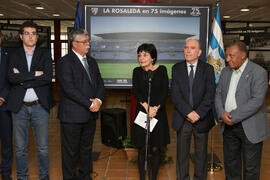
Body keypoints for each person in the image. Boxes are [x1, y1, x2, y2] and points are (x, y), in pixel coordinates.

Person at [7, 21, 55, 180]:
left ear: (37, 36)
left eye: (33, 33)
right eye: (27, 33)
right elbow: (11, 78)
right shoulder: (13, 55)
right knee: (20, 148)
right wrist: (35, 74)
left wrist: (22, 78)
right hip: (19, 107)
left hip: (39, 106)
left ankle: (44, 176)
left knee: (42, 147)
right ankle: (22, 177)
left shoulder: (45, 54)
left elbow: (47, 78)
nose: (30, 36)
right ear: (21, 36)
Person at [215, 41, 270, 180]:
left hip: (250, 126)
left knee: (250, 168)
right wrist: (222, 113)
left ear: (243, 55)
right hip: (228, 125)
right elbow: (218, 94)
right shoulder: (225, 71)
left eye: (231, 56)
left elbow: (256, 101)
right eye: (227, 56)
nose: (227, 59)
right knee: (231, 164)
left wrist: (233, 116)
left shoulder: (259, 72)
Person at [57, 29, 105, 180]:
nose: (88, 44)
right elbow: (69, 89)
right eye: (85, 42)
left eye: (88, 41)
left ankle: (85, 176)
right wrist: (89, 104)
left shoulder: (91, 61)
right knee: (70, 152)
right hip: (72, 116)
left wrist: (98, 100)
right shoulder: (64, 62)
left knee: (86, 150)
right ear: (74, 44)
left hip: (90, 116)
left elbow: (100, 83)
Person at [171, 39, 216, 180]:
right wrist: (188, 112)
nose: (188, 50)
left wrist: (198, 113)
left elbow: (210, 95)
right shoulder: (176, 68)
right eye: (186, 47)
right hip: (183, 119)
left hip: (201, 119)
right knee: (182, 154)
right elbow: (175, 94)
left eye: (192, 48)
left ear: (199, 52)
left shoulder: (208, 69)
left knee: (201, 155)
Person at [131, 43, 170, 180]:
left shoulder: (162, 70)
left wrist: (155, 108)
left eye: (145, 55)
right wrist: (147, 107)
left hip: (158, 113)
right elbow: (136, 92)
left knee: (155, 148)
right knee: (142, 148)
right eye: (139, 55)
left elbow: (164, 91)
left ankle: (153, 177)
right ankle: (142, 177)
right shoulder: (137, 71)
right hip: (142, 112)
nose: (141, 58)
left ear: (153, 57)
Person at [0, 31, 13, 180]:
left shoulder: (9, 55)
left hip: (4, 104)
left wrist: (3, 96)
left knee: (6, 141)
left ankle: (6, 171)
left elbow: (11, 78)